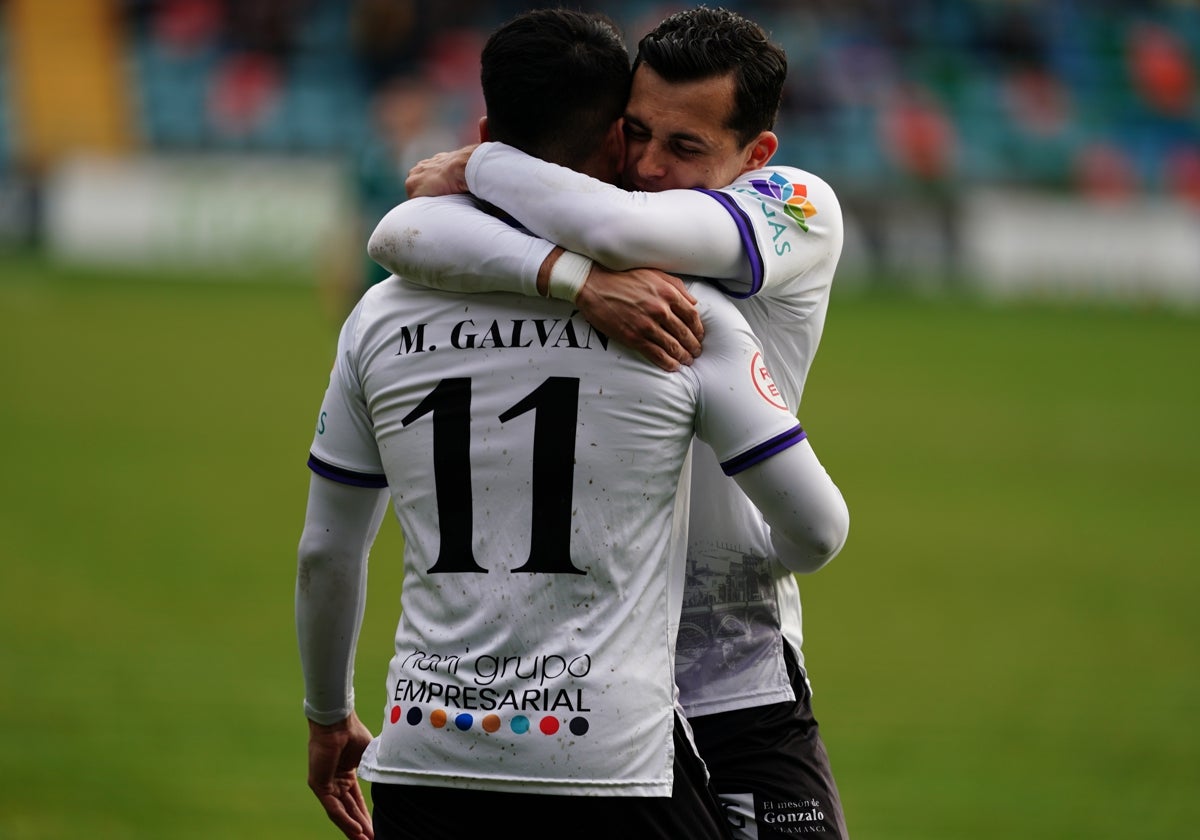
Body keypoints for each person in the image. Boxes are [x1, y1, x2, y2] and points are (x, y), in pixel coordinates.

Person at [296, 9, 850, 840]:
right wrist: (571, 279)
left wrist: (483, 164)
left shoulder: (794, 208)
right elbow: (404, 227)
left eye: (686, 147)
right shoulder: (595, 222)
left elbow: (600, 228)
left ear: (755, 156)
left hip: (728, 667)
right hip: (608, 687)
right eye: (636, 132)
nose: (651, 167)